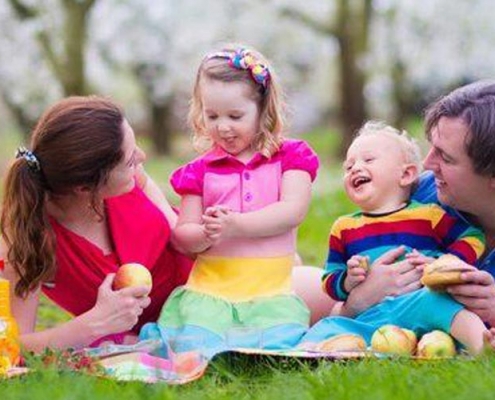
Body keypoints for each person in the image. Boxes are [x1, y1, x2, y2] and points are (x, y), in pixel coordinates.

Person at [139, 46, 319, 357]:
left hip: (269, 293)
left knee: (278, 348)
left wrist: (236, 225)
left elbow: (292, 211)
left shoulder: (289, 157)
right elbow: (183, 235)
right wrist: (205, 234)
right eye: (212, 115)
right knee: (193, 347)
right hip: (211, 291)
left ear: (263, 109)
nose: (222, 126)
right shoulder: (200, 171)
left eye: (235, 116)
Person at [304, 81, 495, 344]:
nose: (427, 164)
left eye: (446, 157)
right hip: (384, 317)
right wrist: (358, 299)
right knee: (295, 286)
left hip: (440, 320)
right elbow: (342, 308)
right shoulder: (422, 193)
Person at [0, 96, 192, 352]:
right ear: (85, 187)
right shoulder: (28, 235)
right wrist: (94, 324)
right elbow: (13, 346)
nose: (141, 157)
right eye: (130, 160)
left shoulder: (131, 175)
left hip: (213, 292)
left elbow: (175, 226)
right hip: (156, 339)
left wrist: (185, 234)